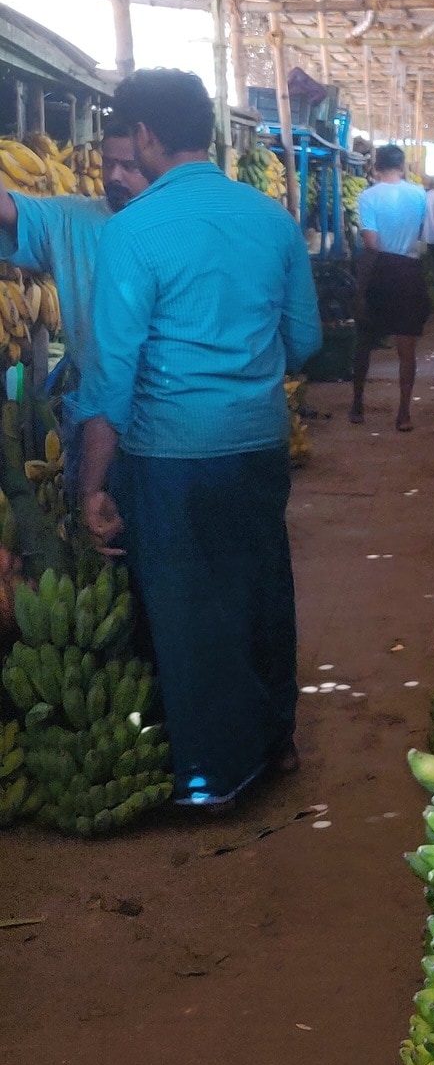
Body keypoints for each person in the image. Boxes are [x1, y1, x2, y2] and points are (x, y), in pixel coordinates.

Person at [78, 68, 321, 809]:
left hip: (170, 455)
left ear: (144, 135)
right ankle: (276, 743)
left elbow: (110, 381)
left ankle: (213, 773)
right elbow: (305, 341)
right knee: (261, 587)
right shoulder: (273, 220)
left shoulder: (131, 232)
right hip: (258, 443)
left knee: (187, 609)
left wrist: (92, 485)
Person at [0, 124, 148, 503]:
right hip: (92, 399)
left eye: (129, 165)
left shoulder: (176, 226)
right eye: (108, 163)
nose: (114, 175)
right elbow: (10, 209)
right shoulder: (72, 217)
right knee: (91, 516)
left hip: (157, 403)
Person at [351, 144, 430, 431]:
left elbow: (371, 242)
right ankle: (404, 413)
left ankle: (357, 404)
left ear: (375, 167)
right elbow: (420, 234)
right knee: (406, 346)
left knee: (364, 339)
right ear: (402, 166)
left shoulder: (368, 196)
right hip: (409, 270)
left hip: (379, 268)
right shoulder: (419, 194)